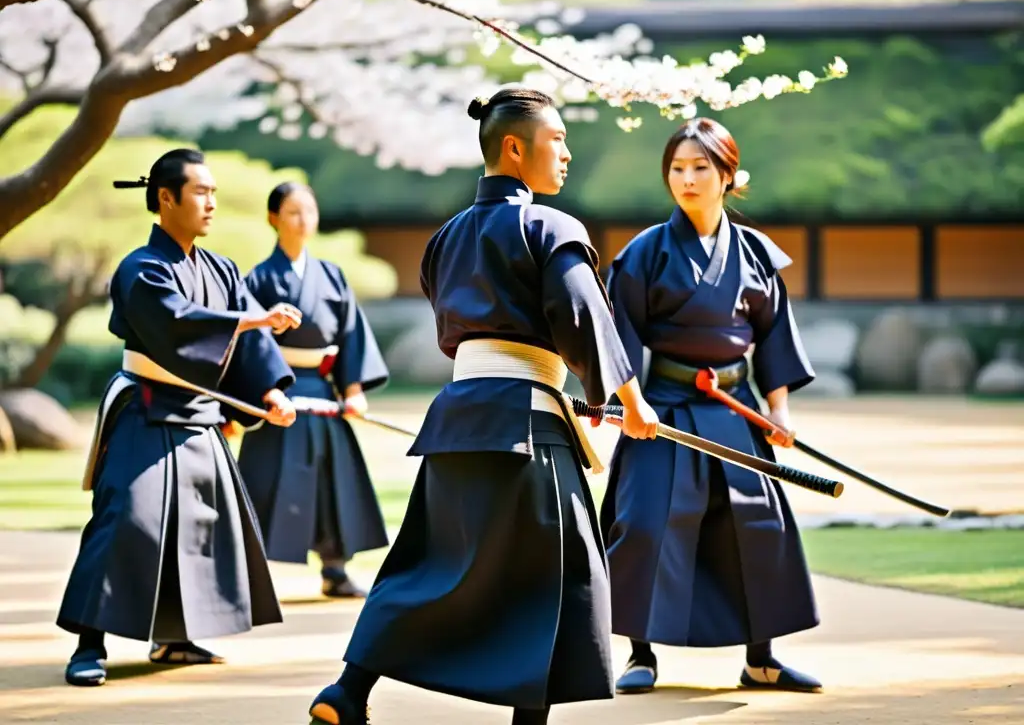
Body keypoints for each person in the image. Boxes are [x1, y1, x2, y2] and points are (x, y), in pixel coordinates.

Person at [306, 86, 660, 725]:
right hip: (526, 424)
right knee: (558, 570)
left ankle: (347, 692)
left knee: (429, 560)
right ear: (517, 148)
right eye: (558, 141)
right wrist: (630, 401)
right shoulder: (553, 228)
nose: (568, 155)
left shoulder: (445, 237)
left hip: (459, 416)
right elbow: (583, 318)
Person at [57, 148, 302, 687]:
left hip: (200, 417)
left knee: (197, 526)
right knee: (124, 518)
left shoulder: (222, 269)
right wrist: (255, 316)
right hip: (146, 409)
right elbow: (179, 325)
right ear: (166, 199)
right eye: (200, 193)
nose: (211, 204)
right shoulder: (140, 268)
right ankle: (87, 643)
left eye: (214, 193)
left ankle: (173, 638)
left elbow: (248, 347)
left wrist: (270, 390)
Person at [599, 117, 822, 695]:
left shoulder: (755, 255)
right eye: (677, 168)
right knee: (644, 523)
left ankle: (762, 659)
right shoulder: (644, 253)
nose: (687, 179)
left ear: (728, 176)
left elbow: (773, 336)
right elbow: (617, 334)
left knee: (757, 524)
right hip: (663, 410)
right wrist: (631, 404)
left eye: (701, 168)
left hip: (736, 409)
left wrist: (779, 412)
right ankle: (640, 653)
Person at [236, 182, 390, 599]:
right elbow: (250, 342)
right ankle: (248, 574)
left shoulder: (332, 275)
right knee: (266, 481)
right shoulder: (258, 278)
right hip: (278, 393)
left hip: (323, 391)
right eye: (293, 212)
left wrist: (353, 389)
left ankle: (335, 569)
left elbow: (351, 333)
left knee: (332, 481)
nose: (304, 219)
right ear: (273, 219)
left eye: (310, 210)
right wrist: (268, 390)